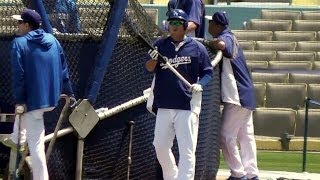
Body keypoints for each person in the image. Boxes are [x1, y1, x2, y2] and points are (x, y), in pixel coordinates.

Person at [1, 8, 75, 180]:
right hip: (51, 98)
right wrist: (70, 94)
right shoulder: (52, 39)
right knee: (28, 126)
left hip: (34, 102)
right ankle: (16, 136)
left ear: (27, 25)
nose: (17, 25)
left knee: (36, 146)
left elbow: (18, 76)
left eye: (19, 22)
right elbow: (64, 71)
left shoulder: (18, 44)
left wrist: (19, 101)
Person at [145, 9, 213, 180]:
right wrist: (153, 59)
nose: (172, 26)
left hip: (187, 105)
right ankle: (171, 176)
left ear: (184, 27)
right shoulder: (160, 45)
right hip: (164, 103)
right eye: (170, 23)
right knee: (159, 145)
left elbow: (207, 72)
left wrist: (200, 84)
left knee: (187, 150)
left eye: (176, 23)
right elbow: (149, 68)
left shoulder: (197, 48)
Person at [206, 12, 259, 180]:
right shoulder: (231, 35)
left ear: (217, 25)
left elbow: (223, 45)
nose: (209, 26)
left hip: (238, 96)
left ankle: (238, 173)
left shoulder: (226, 36)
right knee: (245, 137)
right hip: (245, 94)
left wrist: (212, 43)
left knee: (225, 136)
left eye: (211, 23)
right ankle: (251, 174)